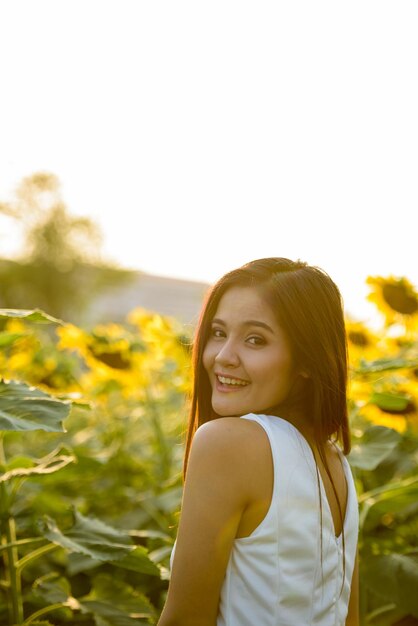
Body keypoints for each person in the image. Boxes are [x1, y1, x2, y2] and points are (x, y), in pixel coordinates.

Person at [157, 257, 359, 626]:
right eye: (218, 332)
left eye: (255, 339)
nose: (223, 356)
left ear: (307, 360)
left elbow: (184, 620)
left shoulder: (229, 443)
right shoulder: (336, 464)